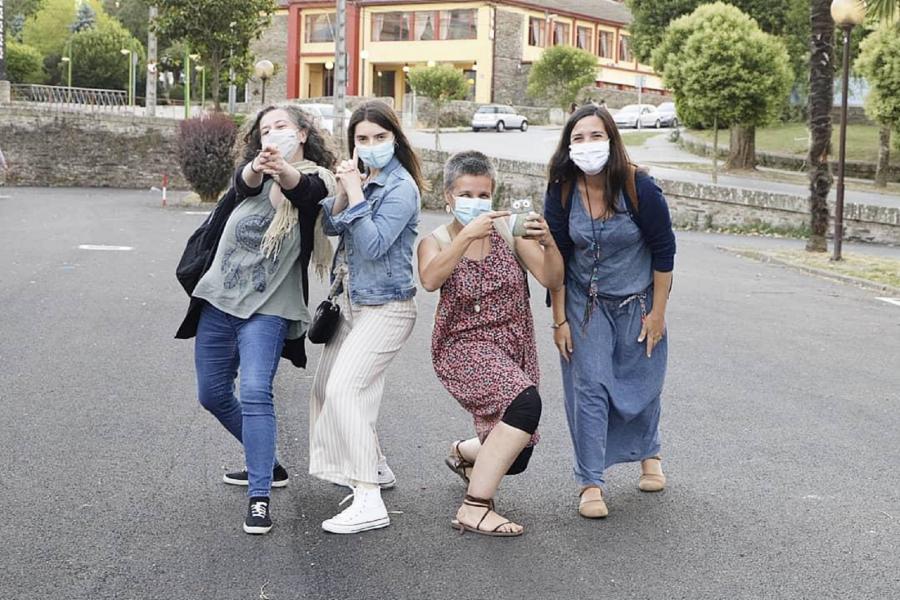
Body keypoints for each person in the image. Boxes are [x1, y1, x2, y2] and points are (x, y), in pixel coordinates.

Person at [190, 104, 337, 534]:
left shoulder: (317, 177)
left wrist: (282, 170)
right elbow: (243, 182)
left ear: (303, 134)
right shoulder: (250, 174)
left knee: (255, 391)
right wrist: (258, 165)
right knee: (212, 394)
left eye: (282, 127)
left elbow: (303, 192)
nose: (272, 134)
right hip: (219, 298)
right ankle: (267, 464)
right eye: (265, 129)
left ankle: (259, 496)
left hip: (270, 306)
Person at [418, 151, 564, 537]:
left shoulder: (508, 233)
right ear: (448, 197)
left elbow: (551, 278)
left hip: (513, 347)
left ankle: (466, 452)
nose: (476, 203)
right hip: (462, 347)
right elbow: (430, 279)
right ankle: (474, 507)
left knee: (516, 457)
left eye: (484, 195)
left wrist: (549, 243)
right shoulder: (435, 241)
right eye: (466, 194)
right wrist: (466, 236)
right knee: (526, 404)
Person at [543, 104, 676, 519]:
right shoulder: (562, 188)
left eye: (595, 136)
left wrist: (657, 314)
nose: (587, 145)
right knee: (590, 387)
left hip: (638, 302)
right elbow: (559, 256)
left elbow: (664, 251)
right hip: (586, 305)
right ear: (568, 146)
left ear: (612, 140)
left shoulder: (640, 187)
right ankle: (590, 481)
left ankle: (648, 453)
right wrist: (559, 320)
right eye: (578, 138)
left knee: (642, 383)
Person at [309, 100, 423, 534]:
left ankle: (369, 498)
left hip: (388, 308)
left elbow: (374, 245)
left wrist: (356, 193)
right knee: (325, 389)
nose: (372, 146)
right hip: (353, 304)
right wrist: (345, 186)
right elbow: (333, 228)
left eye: (380, 138)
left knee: (345, 390)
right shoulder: (368, 178)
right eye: (362, 139)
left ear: (395, 139)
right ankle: (375, 467)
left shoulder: (401, 188)